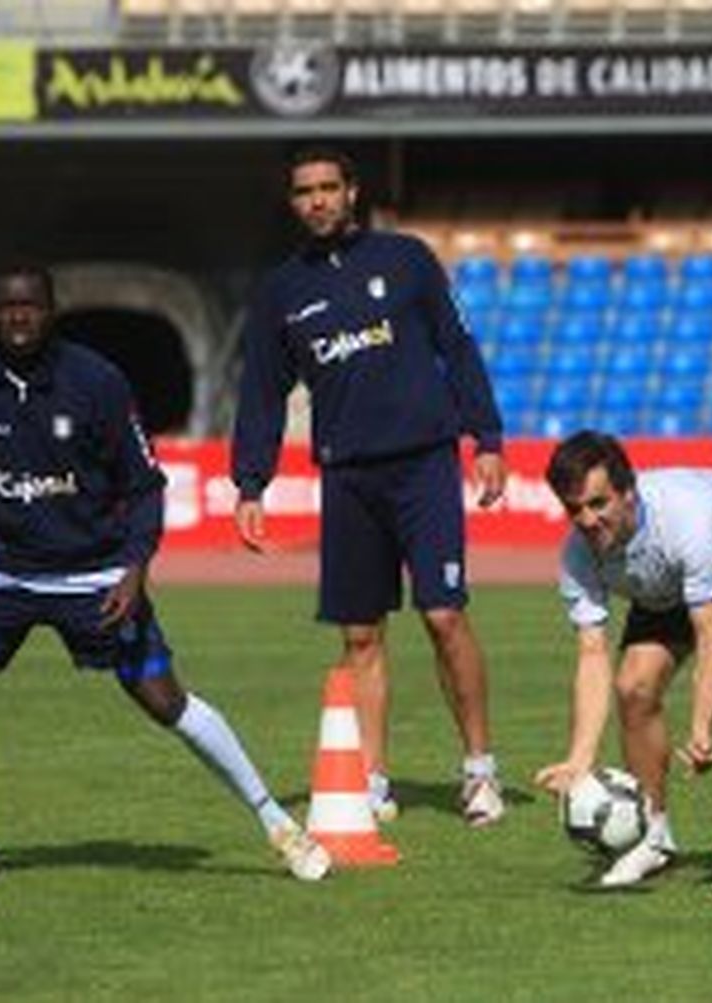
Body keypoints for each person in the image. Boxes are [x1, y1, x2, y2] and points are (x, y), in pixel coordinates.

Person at [0, 265, 330, 891]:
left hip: (93, 571)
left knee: (164, 701)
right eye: (8, 306)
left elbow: (145, 486)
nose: (19, 317)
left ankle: (279, 825)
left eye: (32, 306)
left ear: (52, 310)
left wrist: (133, 570)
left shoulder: (96, 381)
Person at [232, 145, 507, 827]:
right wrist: (250, 482)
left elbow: (457, 345)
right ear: (293, 203)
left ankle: (479, 771)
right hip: (348, 475)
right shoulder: (281, 291)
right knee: (360, 637)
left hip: (423, 464)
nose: (318, 200)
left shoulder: (407, 259)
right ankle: (372, 780)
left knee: (444, 615)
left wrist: (488, 438)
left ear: (352, 192)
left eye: (330, 186)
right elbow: (263, 393)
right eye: (305, 191)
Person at [534, 431, 712, 891]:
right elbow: (592, 655)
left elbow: (709, 639)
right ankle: (652, 838)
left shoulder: (688, 519)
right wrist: (580, 758)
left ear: (628, 492)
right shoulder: (577, 554)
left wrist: (700, 728)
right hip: (668, 580)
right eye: (574, 508)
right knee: (633, 686)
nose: (588, 520)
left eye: (599, 504)